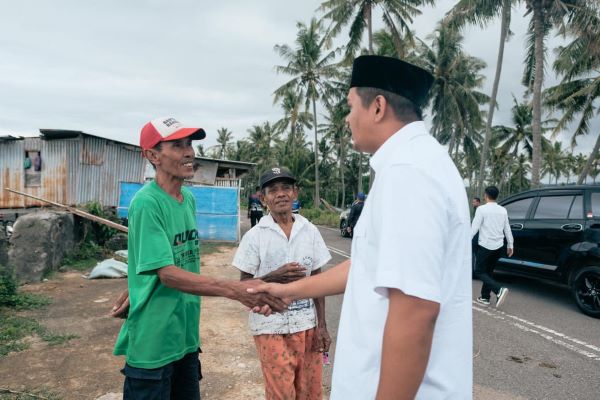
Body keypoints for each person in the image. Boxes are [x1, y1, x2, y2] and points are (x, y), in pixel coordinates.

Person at [249, 56, 473, 399]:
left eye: (351, 106)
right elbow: (366, 267)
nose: (347, 118)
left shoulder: (408, 173)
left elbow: (416, 311)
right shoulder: (412, 166)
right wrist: (286, 292)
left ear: (378, 107)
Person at [111, 117, 287, 400]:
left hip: (186, 338)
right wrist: (235, 290)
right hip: (154, 344)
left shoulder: (187, 199)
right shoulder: (146, 203)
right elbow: (167, 273)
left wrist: (137, 285)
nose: (189, 151)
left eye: (190, 143)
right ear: (153, 155)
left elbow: (169, 260)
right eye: (178, 145)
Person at [233, 166, 332, 399]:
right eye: (273, 190)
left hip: (307, 326)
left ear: (295, 192)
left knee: (310, 392)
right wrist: (272, 276)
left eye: (286, 188)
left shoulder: (309, 231)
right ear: (263, 197)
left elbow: (318, 280)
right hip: (270, 327)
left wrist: (323, 325)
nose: (280, 194)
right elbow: (243, 287)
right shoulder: (255, 236)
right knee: (282, 394)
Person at [471, 185, 513, 307]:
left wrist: (465, 242)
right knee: (488, 272)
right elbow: (507, 229)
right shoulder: (503, 210)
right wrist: (510, 244)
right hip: (498, 247)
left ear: (485, 195)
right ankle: (485, 297)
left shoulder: (481, 209)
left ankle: (498, 290)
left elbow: (474, 228)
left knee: (479, 271)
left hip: (485, 246)